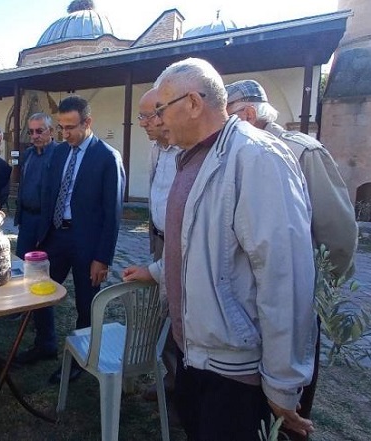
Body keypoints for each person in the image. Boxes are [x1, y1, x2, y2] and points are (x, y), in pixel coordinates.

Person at [122, 58, 317, 440]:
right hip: (195, 354)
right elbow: (198, 243)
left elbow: (285, 276)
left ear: (193, 103)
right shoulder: (193, 155)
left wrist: (282, 384)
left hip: (235, 369)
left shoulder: (257, 158)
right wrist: (159, 271)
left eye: (161, 109)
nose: (157, 120)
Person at [225, 79, 358, 441]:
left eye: (228, 117)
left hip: (293, 298)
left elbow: (338, 232)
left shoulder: (301, 152)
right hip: (249, 306)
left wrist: (315, 290)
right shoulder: (231, 156)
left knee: (289, 407)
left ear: (249, 113)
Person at [15, 95, 125, 385]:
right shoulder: (60, 152)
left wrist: (102, 257)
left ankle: (82, 358)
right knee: (39, 291)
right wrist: (41, 235)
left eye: (71, 127)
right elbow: (50, 193)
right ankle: (45, 344)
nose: (65, 134)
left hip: (87, 244)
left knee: (85, 303)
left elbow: (112, 213)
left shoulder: (107, 157)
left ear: (88, 122)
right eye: (62, 127)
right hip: (55, 237)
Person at [137, 88, 181, 403]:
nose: (141, 123)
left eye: (145, 116)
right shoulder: (157, 150)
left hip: (181, 247)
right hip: (160, 242)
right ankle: (171, 381)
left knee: (180, 316)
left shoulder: (187, 150)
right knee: (163, 314)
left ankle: (184, 393)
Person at [14, 113, 57, 259]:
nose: (34, 136)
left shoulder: (60, 154)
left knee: (43, 266)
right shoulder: (28, 154)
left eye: (39, 131)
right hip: (26, 219)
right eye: (31, 132)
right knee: (22, 262)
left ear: (51, 131)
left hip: (47, 221)